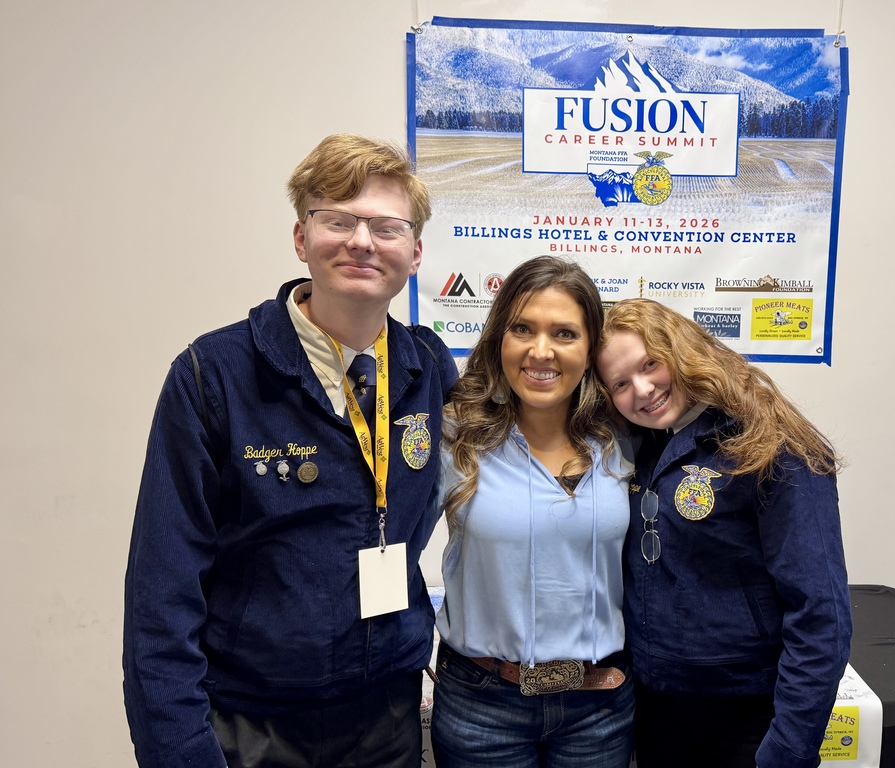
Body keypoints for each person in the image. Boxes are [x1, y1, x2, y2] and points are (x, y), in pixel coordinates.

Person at [123, 134, 459, 768]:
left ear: (414, 253)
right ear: (302, 238)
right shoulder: (213, 376)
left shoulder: (428, 370)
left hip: (387, 715)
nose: (362, 241)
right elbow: (160, 594)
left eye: (386, 227)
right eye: (339, 221)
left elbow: (535, 431)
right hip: (252, 723)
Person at [596, 298, 852, 768]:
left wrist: (789, 748)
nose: (643, 389)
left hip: (750, 718)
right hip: (659, 711)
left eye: (651, 363)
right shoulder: (638, 448)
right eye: (620, 383)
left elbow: (821, 614)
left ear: (682, 349)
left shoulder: (771, 443)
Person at [430, 256, 635, 768]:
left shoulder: (624, 440)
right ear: (500, 337)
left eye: (564, 333)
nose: (540, 351)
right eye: (522, 328)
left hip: (600, 704)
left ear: (590, 352)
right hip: (482, 703)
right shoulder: (453, 437)